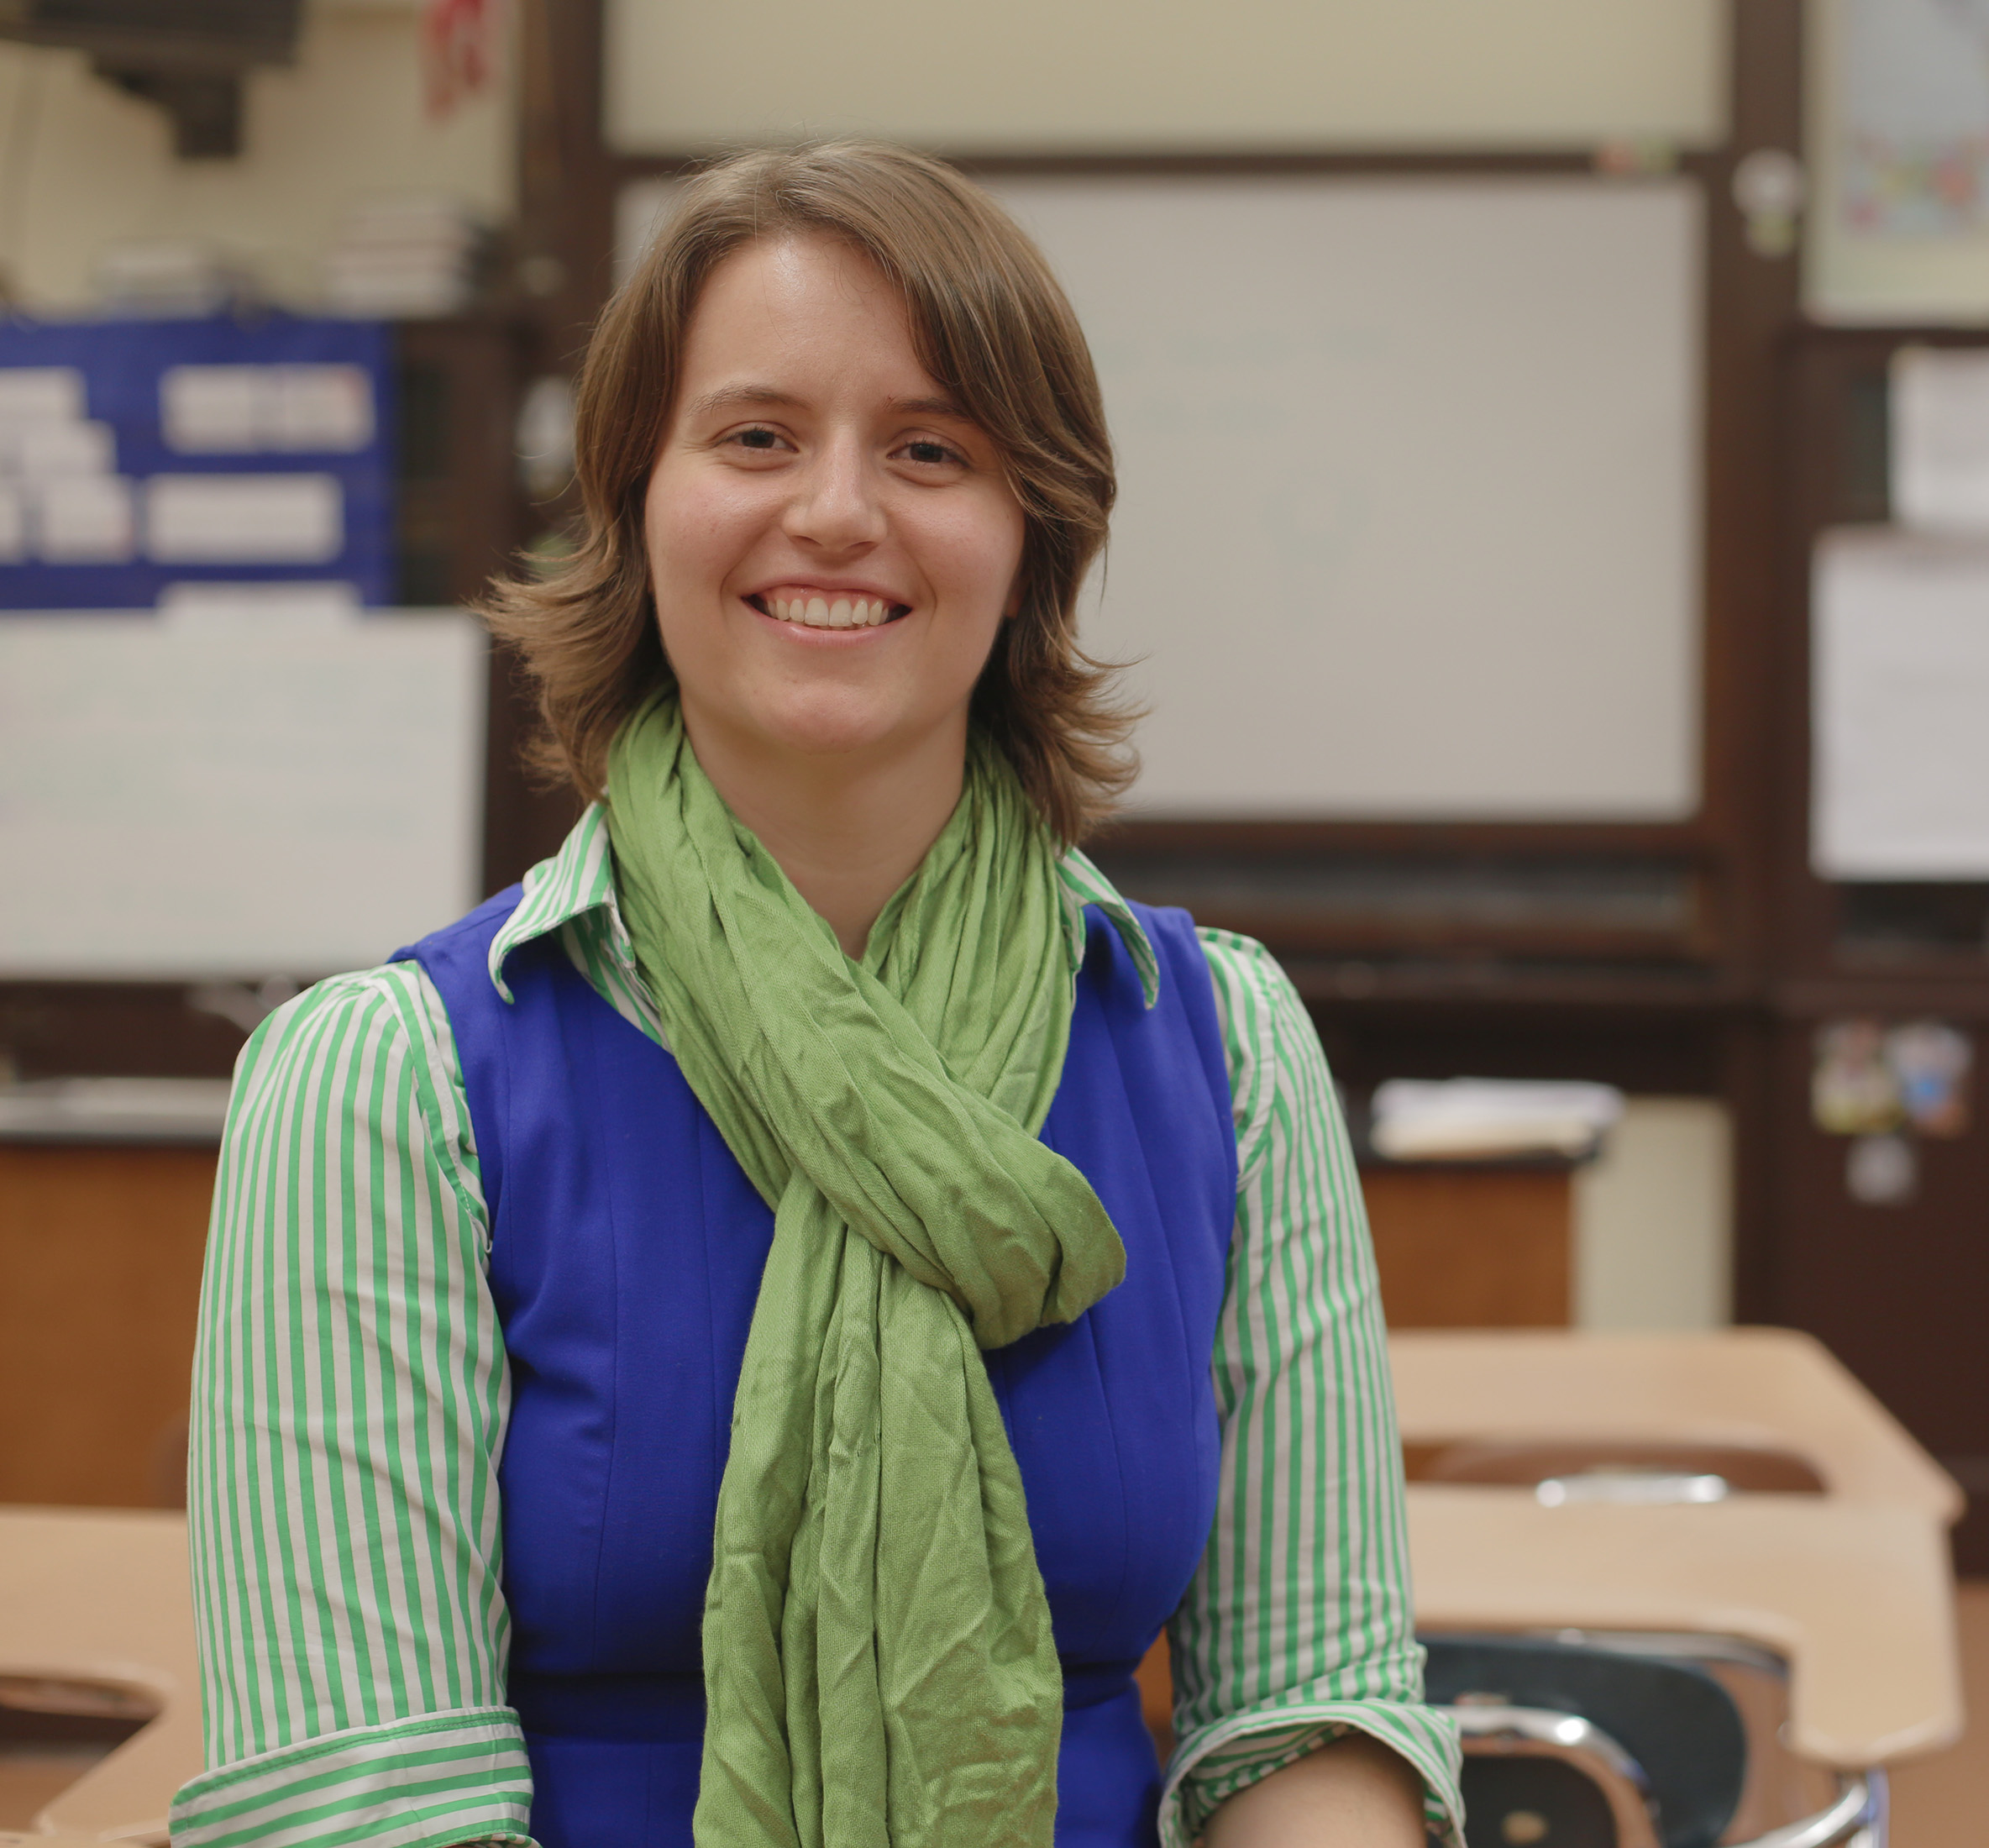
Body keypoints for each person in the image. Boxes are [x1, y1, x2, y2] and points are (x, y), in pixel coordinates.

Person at [169, 141, 1459, 1848]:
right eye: (757, 435)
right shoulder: (391, 1086)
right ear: (636, 499)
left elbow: (1310, 1704)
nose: (838, 509)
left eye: (930, 448)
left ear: (1032, 533)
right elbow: (364, 1805)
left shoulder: (1215, 1046)